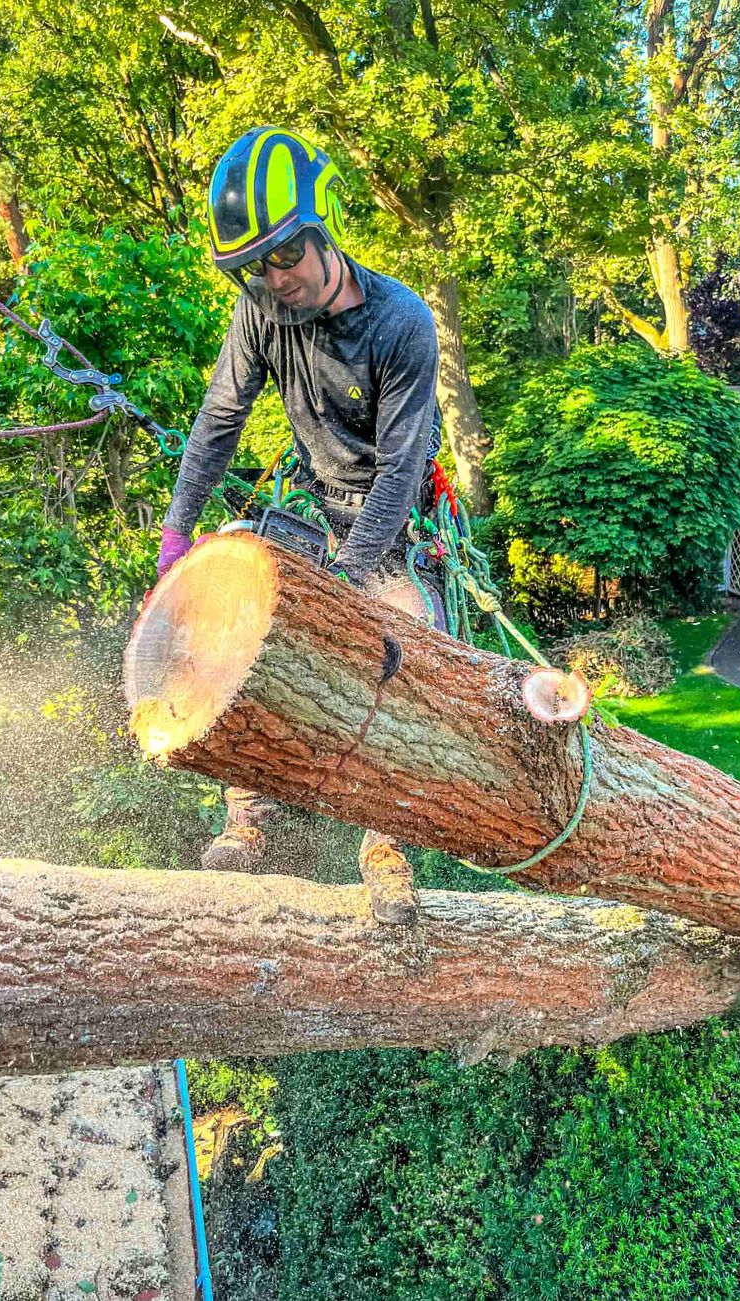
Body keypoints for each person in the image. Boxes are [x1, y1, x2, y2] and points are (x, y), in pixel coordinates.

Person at [156, 126, 446, 920]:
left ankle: (385, 848)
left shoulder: (402, 322)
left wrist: (349, 582)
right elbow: (220, 419)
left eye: (285, 255)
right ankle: (246, 818)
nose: (273, 278)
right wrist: (178, 530)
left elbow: (399, 470)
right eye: (254, 266)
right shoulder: (261, 312)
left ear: (322, 231)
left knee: (400, 656)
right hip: (315, 511)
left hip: (389, 529)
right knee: (238, 629)